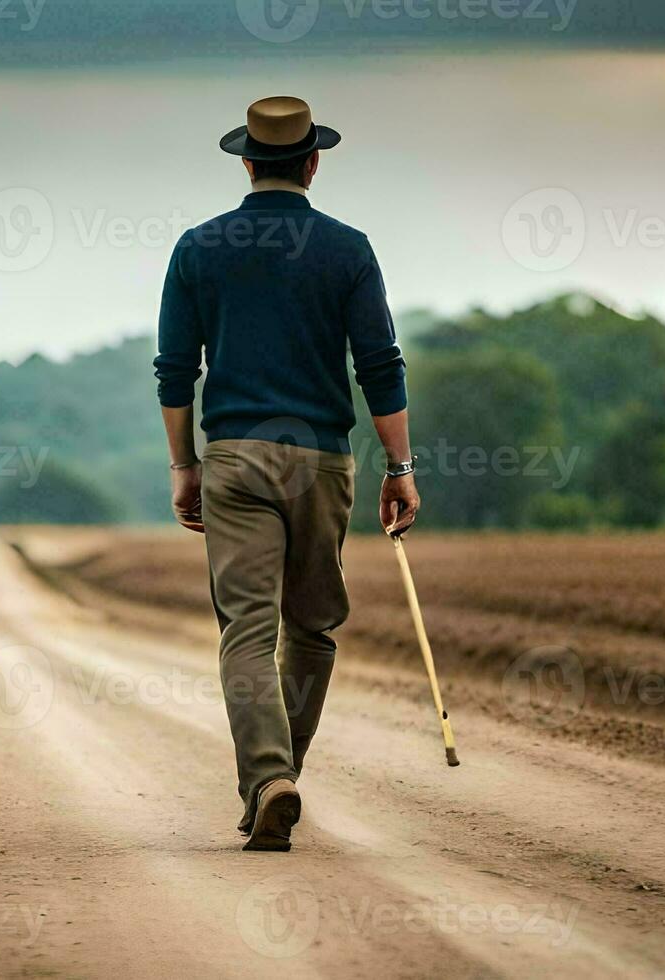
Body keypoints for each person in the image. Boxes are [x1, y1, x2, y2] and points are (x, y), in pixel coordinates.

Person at [154, 96, 421, 852]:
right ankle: (280, 775)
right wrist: (399, 466)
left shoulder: (198, 248)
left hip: (234, 458)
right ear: (312, 162)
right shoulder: (348, 249)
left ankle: (270, 780)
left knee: (246, 629)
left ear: (245, 162)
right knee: (311, 630)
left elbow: (176, 371)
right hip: (321, 461)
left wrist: (184, 466)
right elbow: (381, 365)